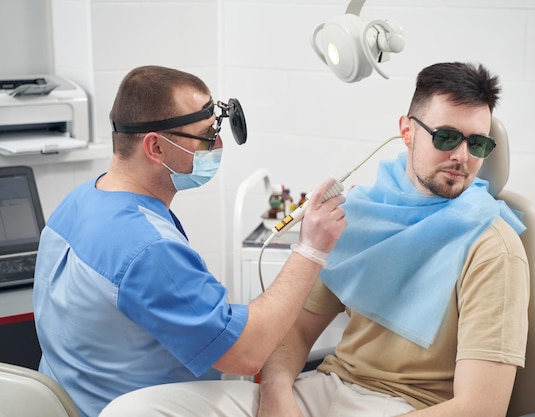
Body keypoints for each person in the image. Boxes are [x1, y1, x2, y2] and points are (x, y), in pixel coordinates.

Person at [99, 62, 530, 417]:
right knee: (132, 411)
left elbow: (482, 407)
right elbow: (294, 331)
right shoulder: (361, 212)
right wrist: (276, 395)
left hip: (406, 409)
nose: (461, 157)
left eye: (478, 144)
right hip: (324, 391)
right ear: (407, 130)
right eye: (447, 137)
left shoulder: (493, 248)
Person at [32, 65, 347, 417]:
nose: (218, 145)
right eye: (206, 135)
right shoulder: (148, 249)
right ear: (155, 147)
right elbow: (246, 355)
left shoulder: (79, 202)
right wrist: (310, 248)